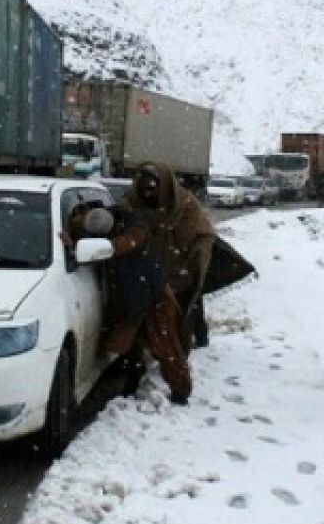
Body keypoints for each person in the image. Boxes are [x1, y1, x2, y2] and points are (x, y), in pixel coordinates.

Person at [63, 202, 193, 405]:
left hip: (152, 295)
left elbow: (128, 242)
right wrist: (73, 244)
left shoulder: (135, 225)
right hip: (128, 297)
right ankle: (131, 382)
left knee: (165, 346)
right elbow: (84, 243)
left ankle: (181, 390)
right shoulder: (96, 221)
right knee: (131, 345)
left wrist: (109, 246)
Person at [120, 162, 216, 353]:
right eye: (143, 188)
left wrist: (194, 264)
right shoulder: (132, 203)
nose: (148, 194)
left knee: (181, 321)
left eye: (152, 188)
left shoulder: (185, 205)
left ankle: (181, 354)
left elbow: (204, 235)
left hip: (178, 273)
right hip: (145, 274)